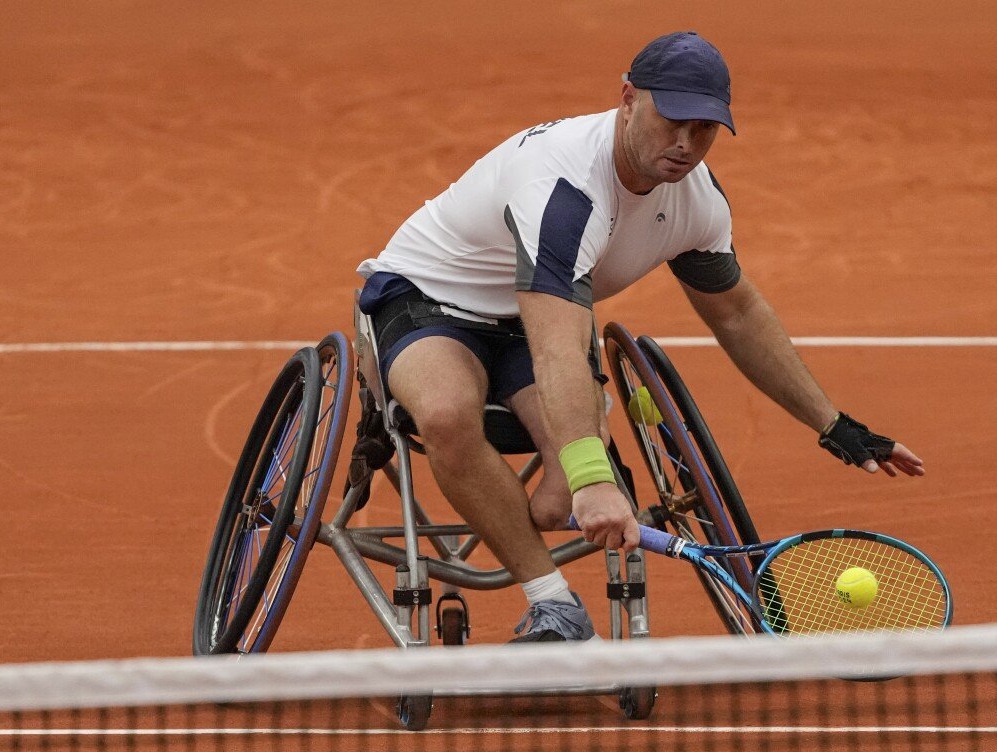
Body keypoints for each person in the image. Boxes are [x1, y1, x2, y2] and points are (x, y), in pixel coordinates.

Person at [355, 31, 924, 643]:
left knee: (553, 501)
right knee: (447, 415)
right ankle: (554, 602)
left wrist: (831, 423)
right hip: (429, 302)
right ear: (628, 99)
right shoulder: (565, 189)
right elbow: (555, 348)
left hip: (533, 321)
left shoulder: (695, 203)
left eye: (704, 129)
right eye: (671, 120)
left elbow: (734, 313)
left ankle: (520, 525)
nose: (685, 144)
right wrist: (594, 477)